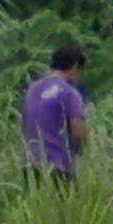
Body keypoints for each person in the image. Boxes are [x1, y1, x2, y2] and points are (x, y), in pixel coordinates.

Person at [21, 43, 89, 185]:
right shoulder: (69, 92)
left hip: (31, 164)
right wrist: (81, 149)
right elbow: (78, 128)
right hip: (58, 165)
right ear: (76, 66)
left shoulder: (33, 89)